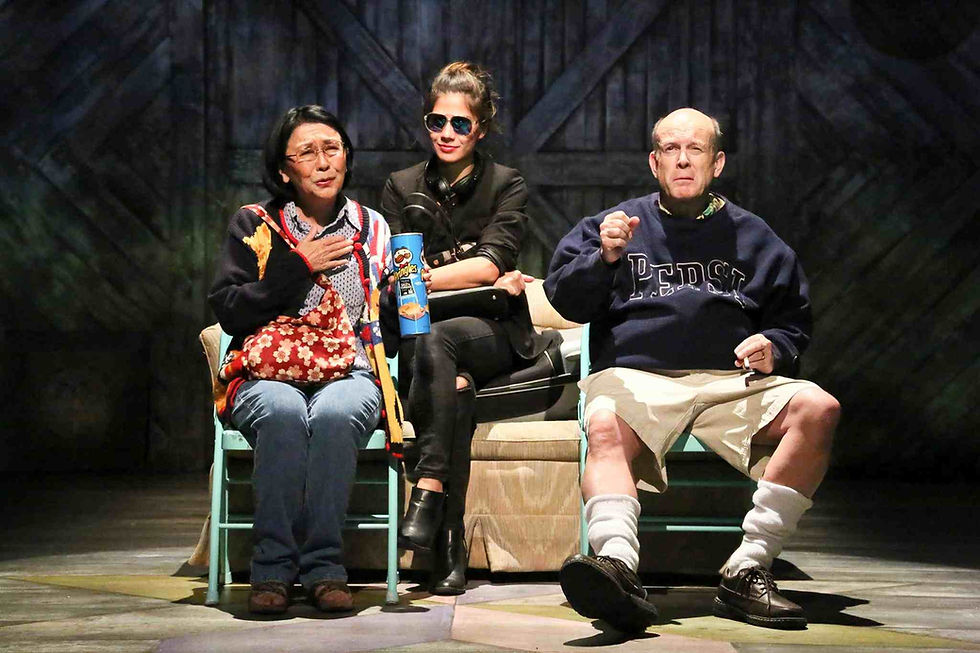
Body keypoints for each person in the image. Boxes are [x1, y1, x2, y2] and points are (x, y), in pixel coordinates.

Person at [544, 108, 840, 632]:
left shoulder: (753, 236)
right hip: (638, 379)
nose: (683, 159)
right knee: (604, 419)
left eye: (696, 149)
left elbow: (794, 319)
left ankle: (747, 570)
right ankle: (617, 568)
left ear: (717, 162)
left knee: (819, 407)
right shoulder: (614, 226)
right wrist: (604, 259)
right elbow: (565, 299)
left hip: (729, 384)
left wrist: (773, 346)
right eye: (671, 150)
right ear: (654, 163)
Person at [208, 105, 395, 615]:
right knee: (285, 413)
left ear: (347, 158)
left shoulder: (372, 228)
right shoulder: (256, 224)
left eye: (332, 148)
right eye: (307, 153)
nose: (323, 162)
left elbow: (389, 324)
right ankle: (270, 570)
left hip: (349, 368)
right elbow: (229, 310)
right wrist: (298, 265)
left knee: (335, 414)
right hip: (267, 370)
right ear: (284, 169)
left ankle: (324, 567)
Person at [380, 62, 553, 595]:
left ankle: (427, 489)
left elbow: (489, 265)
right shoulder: (401, 186)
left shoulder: (507, 184)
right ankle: (449, 539)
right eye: (437, 122)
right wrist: (445, 276)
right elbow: (394, 276)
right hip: (419, 340)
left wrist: (425, 278)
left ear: (480, 128)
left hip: (493, 334)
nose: (447, 134)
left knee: (442, 339)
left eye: (460, 124)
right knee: (449, 385)